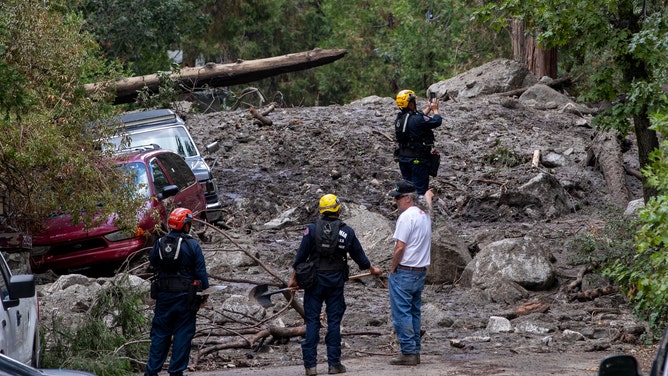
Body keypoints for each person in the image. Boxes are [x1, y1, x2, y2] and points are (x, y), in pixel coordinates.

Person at [288, 194, 382, 376]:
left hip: (313, 282)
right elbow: (360, 258)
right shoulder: (347, 231)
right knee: (334, 322)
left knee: (312, 321)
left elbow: (300, 258)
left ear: (321, 210)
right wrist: (372, 269)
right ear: (338, 209)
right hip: (336, 282)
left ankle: (310, 366)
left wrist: (293, 279)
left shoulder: (311, 229)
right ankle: (334, 364)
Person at [145, 208, 209, 376]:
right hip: (186, 298)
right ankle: (176, 372)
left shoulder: (159, 243)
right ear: (186, 225)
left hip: (163, 296)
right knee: (183, 334)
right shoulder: (192, 245)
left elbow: (152, 263)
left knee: (160, 334)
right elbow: (201, 273)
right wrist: (204, 296)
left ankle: (151, 372)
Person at [387, 180, 433, 366]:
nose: (396, 201)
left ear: (407, 198)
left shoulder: (406, 217)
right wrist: (428, 197)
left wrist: (392, 269)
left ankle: (408, 351)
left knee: (401, 313)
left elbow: (400, 247)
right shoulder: (424, 215)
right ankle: (415, 350)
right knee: (414, 312)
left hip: (405, 271)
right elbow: (429, 205)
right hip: (420, 272)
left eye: (398, 198)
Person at [394, 89, 442, 195]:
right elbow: (437, 121)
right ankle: (420, 209)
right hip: (417, 161)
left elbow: (417, 118)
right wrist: (435, 109)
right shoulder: (417, 119)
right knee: (420, 190)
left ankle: (409, 207)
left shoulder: (400, 119)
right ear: (411, 104)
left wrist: (428, 108)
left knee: (408, 189)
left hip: (403, 160)